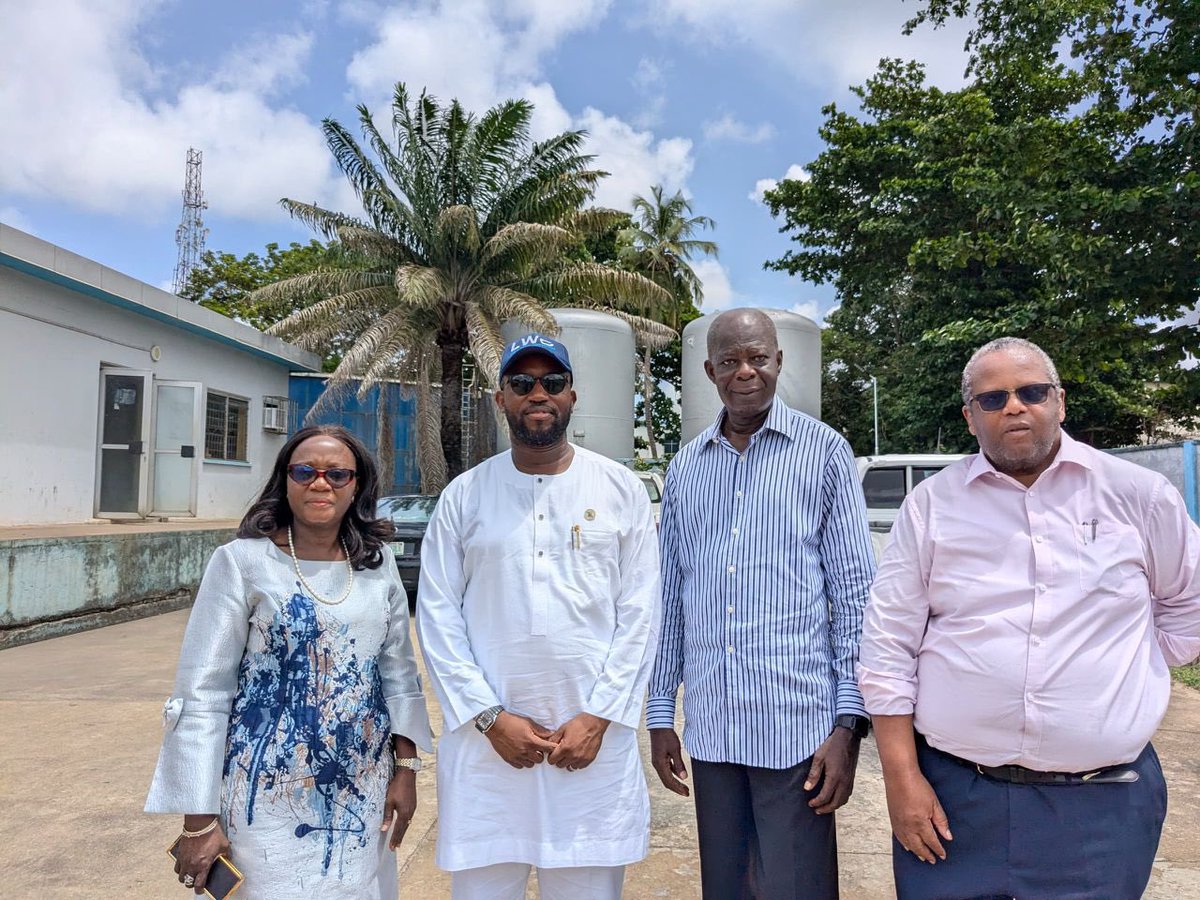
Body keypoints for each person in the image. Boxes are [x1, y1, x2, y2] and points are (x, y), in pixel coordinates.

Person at [859, 337, 1200, 898]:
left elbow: (1187, 607)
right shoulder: (932, 506)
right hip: (953, 799)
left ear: (1059, 402)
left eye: (1031, 391)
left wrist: (1120, 668)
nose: (1014, 407)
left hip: (1102, 807)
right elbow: (888, 648)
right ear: (970, 418)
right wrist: (902, 780)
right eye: (992, 400)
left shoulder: (1137, 495)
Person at [416, 332, 661, 900]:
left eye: (552, 383)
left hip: (593, 749)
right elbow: (437, 616)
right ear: (500, 399)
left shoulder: (620, 488)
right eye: (521, 384)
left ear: (572, 396)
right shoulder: (464, 496)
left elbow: (642, 614)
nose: (538, 395)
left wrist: (599, 716)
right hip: (487, 752)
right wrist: (487, 717)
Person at [146, 425, 433, 898]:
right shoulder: (241, 563)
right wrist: (198, 821)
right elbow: (204, 691)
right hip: (262, 794)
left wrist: (406, 769)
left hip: (359, 792)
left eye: (337, 474)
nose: (321, 483)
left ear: (356, 485)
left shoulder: (376, 566)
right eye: (306, 471)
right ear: (286, 480)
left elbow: (398, 674)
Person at [647, 308, 876, 899]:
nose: (744, 371)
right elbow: (671, 595)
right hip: (714, 729)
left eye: (757, 357)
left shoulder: (824, 453)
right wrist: (658, 714)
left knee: (798, 887)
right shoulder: (686, 469)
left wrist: (848, 725)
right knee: (727, 887)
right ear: (708, 370)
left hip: (797, 729)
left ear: (780, 360)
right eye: (729, 361)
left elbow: (853, 595)